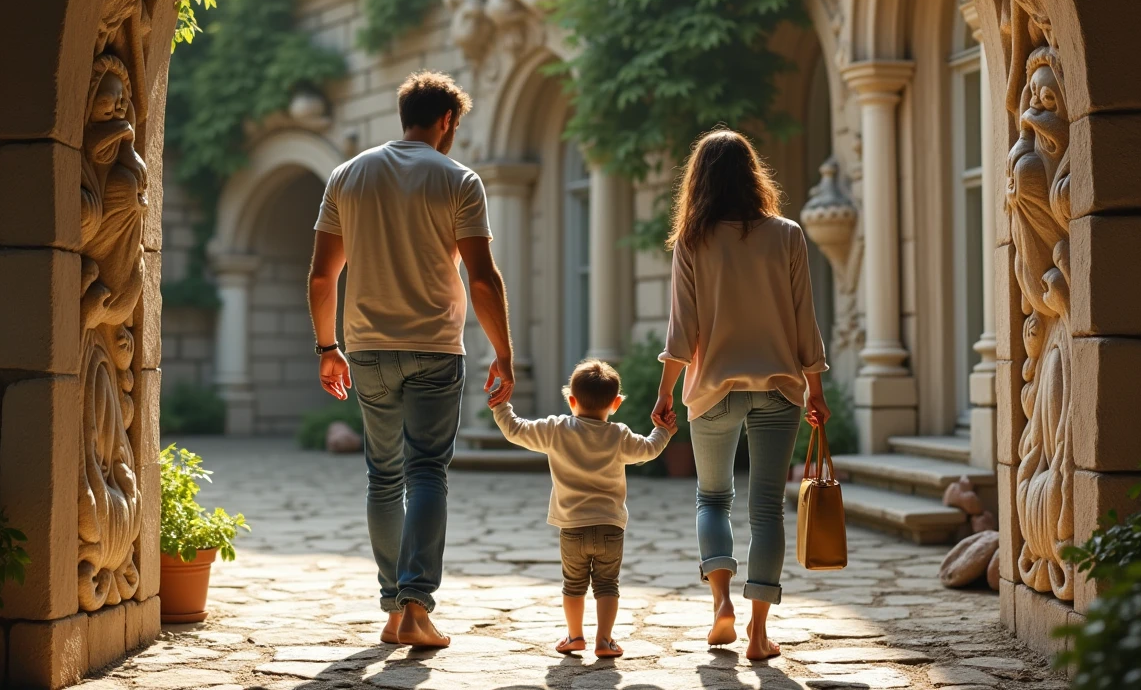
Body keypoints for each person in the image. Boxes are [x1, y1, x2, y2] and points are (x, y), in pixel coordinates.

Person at [307, 71, 515, 649]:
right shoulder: (459, 180)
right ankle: (416, 605)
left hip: (367, 350)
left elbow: (324, 274)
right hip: (434, 348)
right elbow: (482, 277)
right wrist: (504, 353)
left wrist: (328, 349)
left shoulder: (347, 176)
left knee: (383, 477)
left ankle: (393, 607)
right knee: (427, 472)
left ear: (406, 114)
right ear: (446, 120)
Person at [650, 127, 831, 661]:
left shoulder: (693, 241)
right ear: (754, 175)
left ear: (698, 181)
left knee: (712, 498)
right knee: (767, 509)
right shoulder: (788, 235)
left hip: (712, 390)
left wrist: (664, 393)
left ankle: (721, 606)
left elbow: (681, 332)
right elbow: (806, 324)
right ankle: (757, 633)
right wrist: (816, 390)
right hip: (779, 388)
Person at [490, 359, 675, 658]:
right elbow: (649, 449)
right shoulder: (619, 435)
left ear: (571, 400)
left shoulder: (556, 430)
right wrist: (663, 431)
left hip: (572, 528)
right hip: (610, 527)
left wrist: (500, 405)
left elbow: (515, 430)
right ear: (615, 403)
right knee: (607, 585)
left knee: (573, 585)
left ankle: (575, 636)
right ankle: (605, 640)